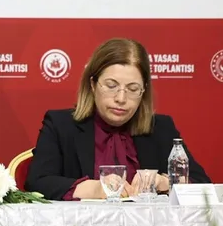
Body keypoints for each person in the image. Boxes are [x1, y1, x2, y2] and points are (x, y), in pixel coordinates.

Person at [25, 38, 210, 201]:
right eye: (111, 86)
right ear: (92, 84)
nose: (121, 98)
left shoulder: (161, 128)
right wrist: (95, 189)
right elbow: (37, 182)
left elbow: (203, 185)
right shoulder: (61, 125)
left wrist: (166, 182)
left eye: (132, 89)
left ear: (143, 91)